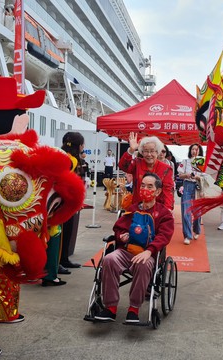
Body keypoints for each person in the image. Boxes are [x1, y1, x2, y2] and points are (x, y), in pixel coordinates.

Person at [94, 173, 174, 323]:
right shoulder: (132, 209)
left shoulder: (164, 214)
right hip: (125, 251)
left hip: (147, 254)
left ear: (158, 191)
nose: (145, 189)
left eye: (150, 186)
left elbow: (164, 236)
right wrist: (121, 236)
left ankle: (134, 309)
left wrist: (149, 251)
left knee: (143, 264)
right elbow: (118, 229)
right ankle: (110, 308)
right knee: (109, 259)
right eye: (143, 185)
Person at [119, 132, 174, 210]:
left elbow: (168, 191)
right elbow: (123, 166)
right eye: (145, 151)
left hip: (157, 208)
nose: (149, 154)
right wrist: (131, 150)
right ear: (142, 152)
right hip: (138, 206)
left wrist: (168, 209)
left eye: (152, 151)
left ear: (157, 152)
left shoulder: (166, 169)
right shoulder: (137, 163)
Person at [58, 132, 85, 273]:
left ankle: (63, 259)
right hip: (63, 201)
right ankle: (58, 262)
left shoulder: (66, 157)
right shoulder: (69, 160)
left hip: (68, 200)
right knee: (61, 232)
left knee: (67, 230)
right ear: (79, 145)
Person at [178, 143, 204, 244]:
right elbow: (179, 175)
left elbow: (206, 177)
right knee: (186, 212)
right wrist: (187, 175)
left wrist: (198, 177)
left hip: (198, 187)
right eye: (193, 149)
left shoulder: (203, 162)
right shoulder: (185, 161)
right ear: (190, 150)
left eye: (197, 149)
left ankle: (197, 230)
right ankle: (187, 236)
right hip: (187, 185)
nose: (194, 151)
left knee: (197, 212)